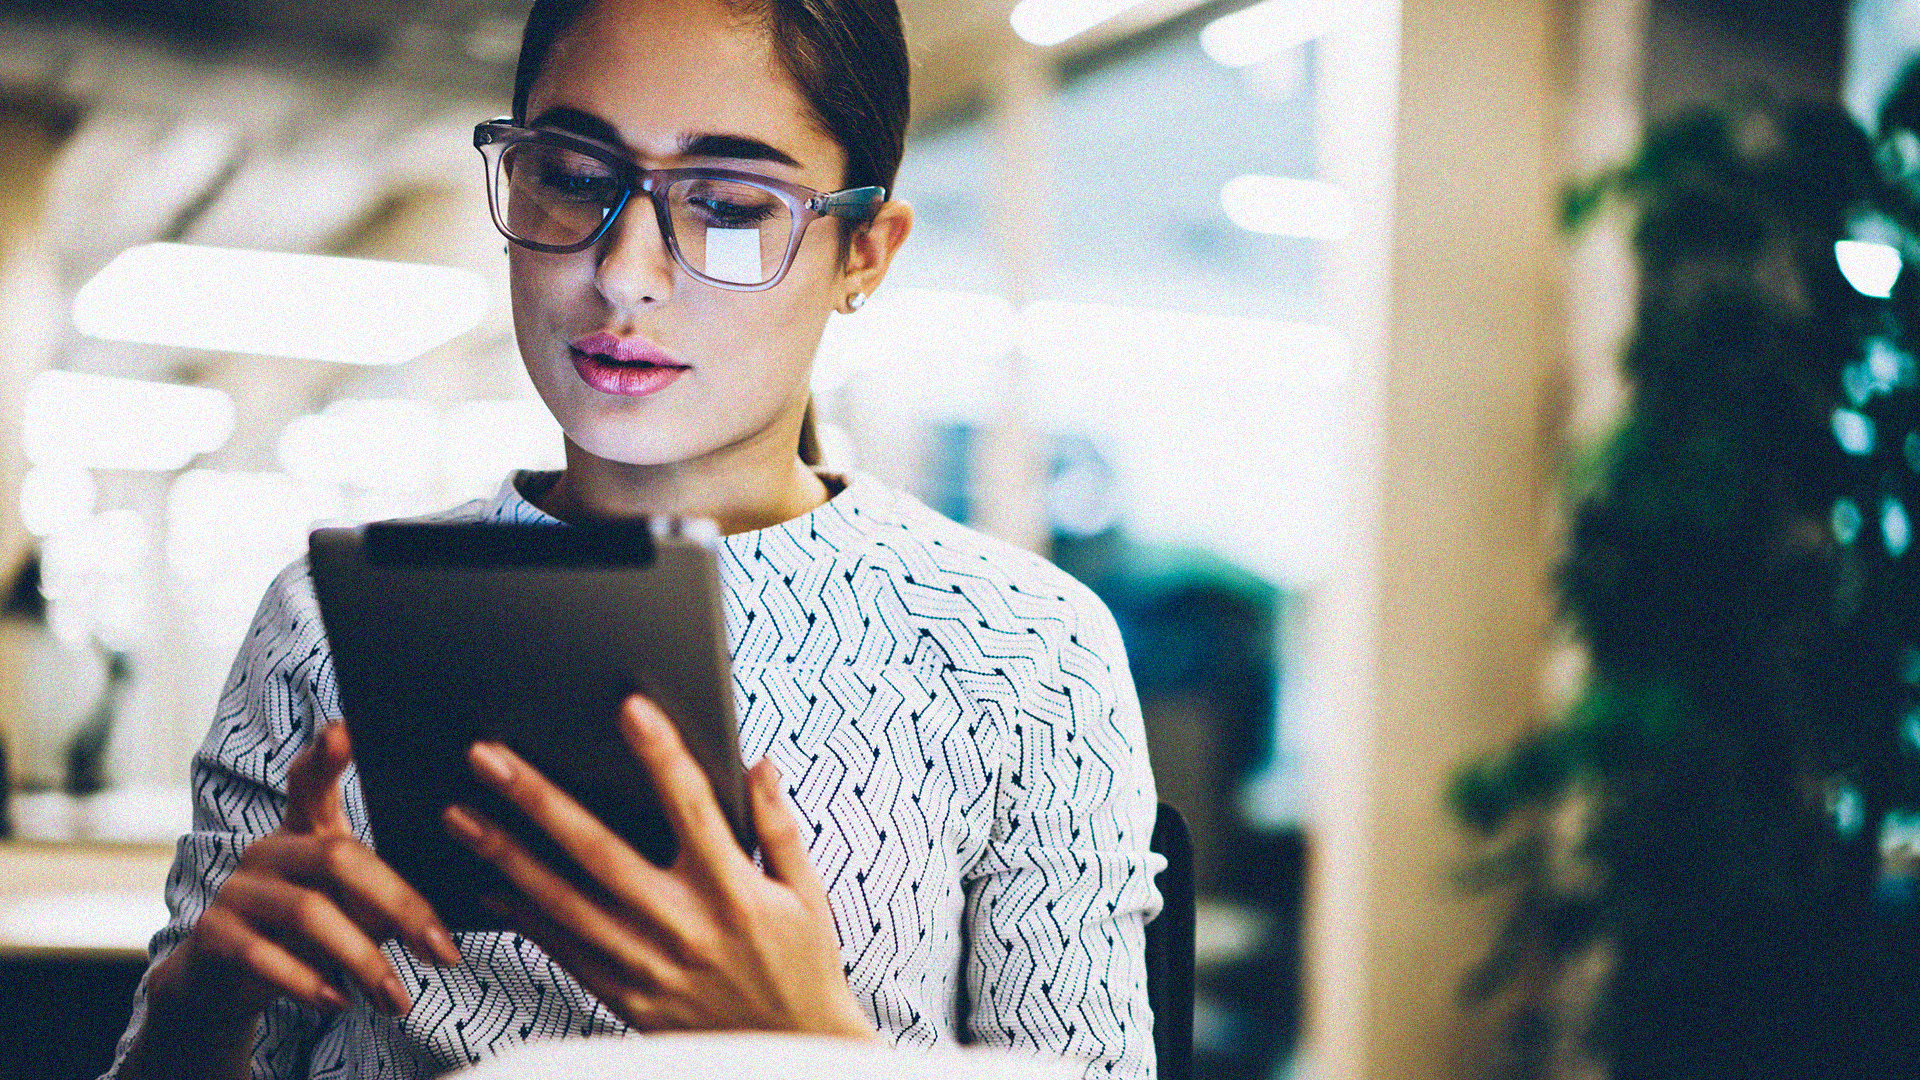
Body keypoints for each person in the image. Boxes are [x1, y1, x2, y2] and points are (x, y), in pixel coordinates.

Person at [104, 0, 1162, 1077]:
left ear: (866, 254)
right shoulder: (326, 621)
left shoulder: (1019, 650)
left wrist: (813, 1046)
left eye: (732, 205)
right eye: (570, 175)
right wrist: (199, 1005)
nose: (625, 272)